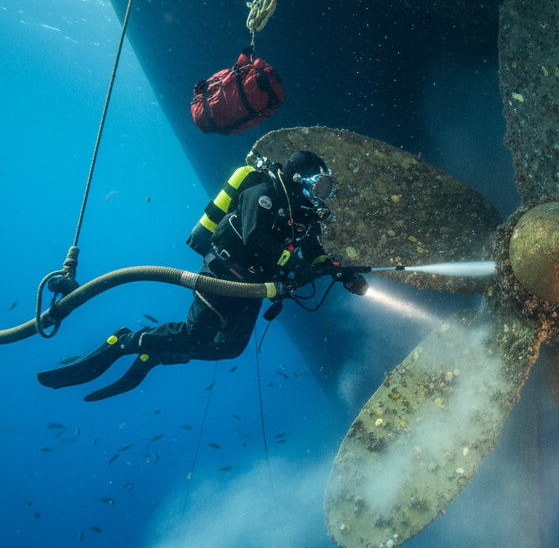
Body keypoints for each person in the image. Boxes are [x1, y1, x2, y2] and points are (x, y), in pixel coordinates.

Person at [38, 151, 366, 401]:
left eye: (327, 189)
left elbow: (312, 252)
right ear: (299, 178)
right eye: (319, 185)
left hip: (253, 287)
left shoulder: (305, 217)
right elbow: (255, 238)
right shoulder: (262, 192)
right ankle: (123, 341)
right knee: (195, 335)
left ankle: (157, 354)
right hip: (223, 275)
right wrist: (296, 266)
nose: (321, 195)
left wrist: (340, 272)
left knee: (231, 348)